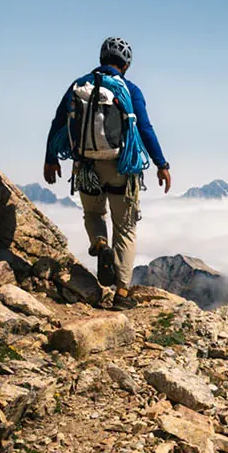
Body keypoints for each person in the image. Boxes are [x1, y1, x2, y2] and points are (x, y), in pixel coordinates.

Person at [43, 36, 172, 309]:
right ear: (125, 65)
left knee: (93, 213)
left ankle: (100, 245)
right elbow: (145, 129)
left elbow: (58, 122)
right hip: (121, 167)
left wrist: (50, 159)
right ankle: (122, 294)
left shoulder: (79, 85)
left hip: (85, 165)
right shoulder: (130, 89)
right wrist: (161, 164)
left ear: (101, 59)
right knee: (125, 228)